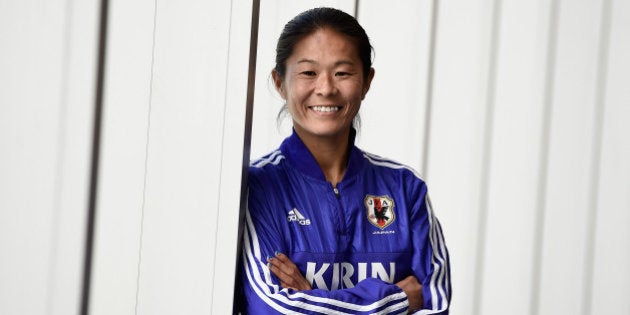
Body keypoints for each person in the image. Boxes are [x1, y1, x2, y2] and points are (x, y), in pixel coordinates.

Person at [239, 7, 451, 314]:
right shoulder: (256, 186)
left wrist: (311, 298)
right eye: (308, 72)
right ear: (280, 82)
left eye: (343, 72)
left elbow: (436, 305)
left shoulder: (405, 188)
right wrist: (398, 299)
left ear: (366, 81)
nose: (325, 88)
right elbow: (275, 307)